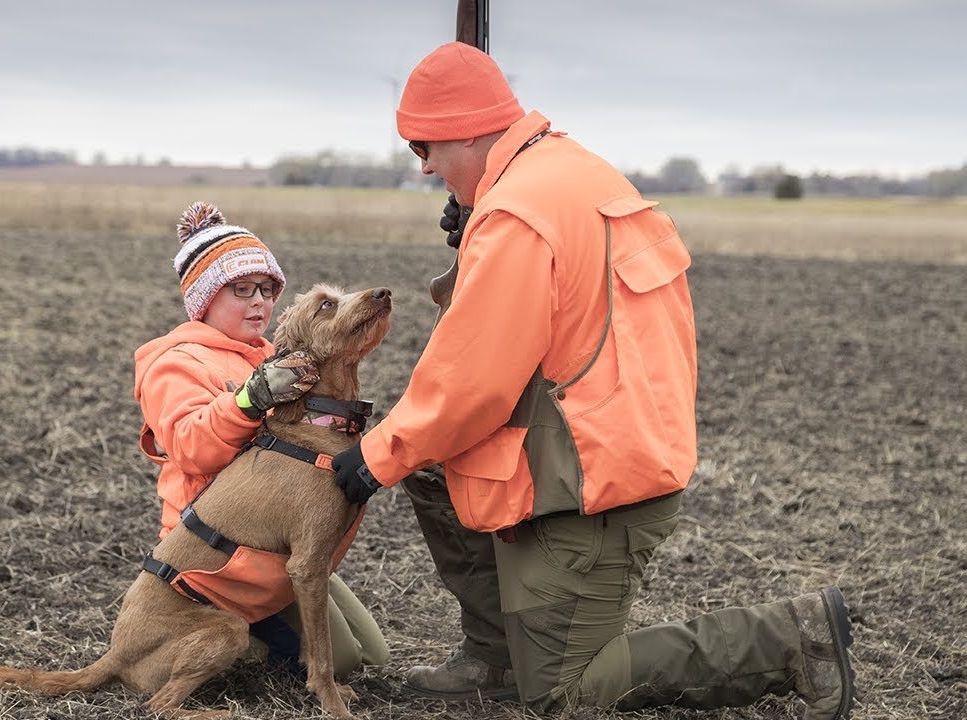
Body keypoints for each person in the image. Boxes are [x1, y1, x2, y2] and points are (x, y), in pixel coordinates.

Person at [331, 43, 855, 718]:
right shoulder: (573, 173)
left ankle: (789, 640)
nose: (424, 164)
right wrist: (471, 247)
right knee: (435, 468)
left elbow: (472, 380)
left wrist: (374, 459)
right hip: (615, 445)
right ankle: (496, 657)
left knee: (563, 694)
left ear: (465, 129)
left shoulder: (518, 214)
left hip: (596, 487)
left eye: (422, 145)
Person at [133, 201, 389, 678]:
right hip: (223, 558)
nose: (259, 303)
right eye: (241, 291)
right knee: (344, 661)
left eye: (267, 290)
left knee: (373, 657)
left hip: (280, 542)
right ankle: (224, 640)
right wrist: (249, 400)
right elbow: (190, 446)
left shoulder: (274, 355)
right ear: (205, 300)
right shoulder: (177, 363)